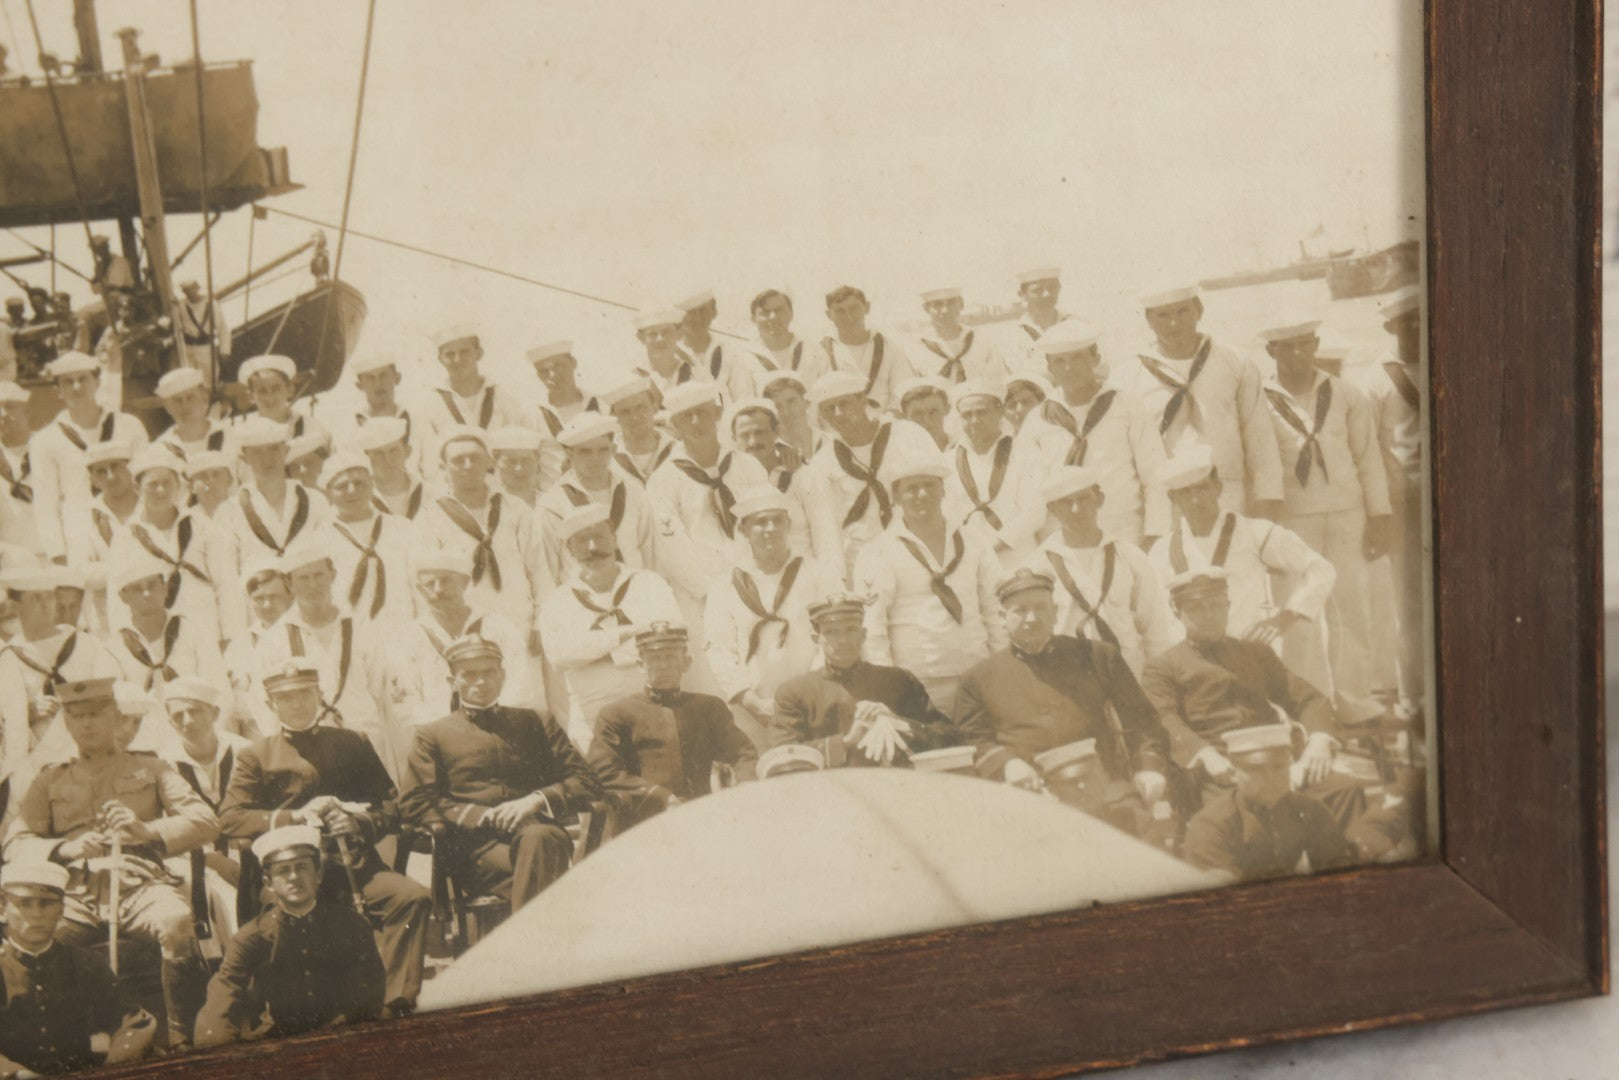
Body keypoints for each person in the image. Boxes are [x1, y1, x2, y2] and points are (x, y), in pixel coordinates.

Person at [5, 676, 217, 1048]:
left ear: (116, 718)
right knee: (31, 938)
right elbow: (15, 843)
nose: (86, 724)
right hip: (74, 895)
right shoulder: (51, 778)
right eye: (76, 716)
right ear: (66, 723)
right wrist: (65, 850)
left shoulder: (153, 768)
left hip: (140, 885)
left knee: (175, 921)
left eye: (96, 714)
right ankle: (46, 1044)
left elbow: (206, 821)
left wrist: (145, 829)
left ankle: (184, 1036)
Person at [1137, 568, 1406, 859]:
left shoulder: (1256, 654)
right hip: (1222, 769)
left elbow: (1309, 699)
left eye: (1216, 604)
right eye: (1197, 608)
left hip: (1279, 760)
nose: (1210, 614)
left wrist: (1318, 741)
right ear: (1176, 611)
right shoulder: (1163, 666)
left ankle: (1345, 869)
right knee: (1242, 819)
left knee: (1343, 790)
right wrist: (1205, 754)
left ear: (1228, 606)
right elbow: (1165, 719)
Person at [217, 659, 431, 1016]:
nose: (297, 704)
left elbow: (393, 805)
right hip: (292, 874)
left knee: (411, 898)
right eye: (286, 698)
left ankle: (392, 1002)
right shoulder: (255, 755)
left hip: (353, 865)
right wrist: (295, 816)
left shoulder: (352, 742)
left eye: (304, 694)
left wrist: (359, 822)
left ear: (320, 695)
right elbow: (231, 819)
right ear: (270, 705)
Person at [954, 568, 1171, 836]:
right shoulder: (978, 679)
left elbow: (1142, 719)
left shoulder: (1097, 656)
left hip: (1106, 790)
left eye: (1040, 608)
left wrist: (1148, 768)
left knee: (1144, 840)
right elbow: (974, 740)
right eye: (1020, 610)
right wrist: (1007, 764)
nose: (1032, 618)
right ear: (1002, 617)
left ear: (1056, 611)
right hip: (1032, 795)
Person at [401, 633, 604, 910]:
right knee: (558, 880)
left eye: (488, 672)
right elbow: (416, 802)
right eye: (469, 675)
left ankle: (525, 944)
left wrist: (535, 800)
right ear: (453, 682)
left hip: (539, 834)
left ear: (503, 675)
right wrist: (483, 816)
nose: (481, 682)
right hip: (478, 849)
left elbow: (587, 780)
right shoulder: (433, 734)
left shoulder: (536, 722)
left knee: (539, 841)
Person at [1257, 317, 1393, 711]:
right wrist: (1266, 528)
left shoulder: (1347, 394)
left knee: (1352, 612)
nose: (1298, 354)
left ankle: (1354, 702)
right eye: (1287, 347)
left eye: (1304, 344)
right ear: (1271, 351)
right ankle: (1310, 707)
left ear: (1315, 344)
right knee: (1299, 616)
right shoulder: (1258, 400)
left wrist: (1379, 516)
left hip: (1348, 515)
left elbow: (1368, 459)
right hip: (1292, 522)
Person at [1145, 445, 1336, 687]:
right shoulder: (1162, 550)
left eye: (1202, 488)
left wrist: (1284, 618)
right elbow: (1155, 616)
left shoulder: (1255, 533)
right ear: (1172, 498)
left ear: (1218, 488)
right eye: (1185, 492)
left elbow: (1321, 570)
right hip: (1193, 672)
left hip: (1248, 658)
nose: (1195, 499)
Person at [193, 824, 385, 1047]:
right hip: (278, 1039)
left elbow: (368, 994)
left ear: (318, 875)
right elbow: (222, 1001)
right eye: (283, 870)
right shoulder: (251, 937)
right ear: (269, 884)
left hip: (340, 1036)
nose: (294, 877)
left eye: (302, 867)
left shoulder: (351, 926)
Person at [1111, 285, 1284, 519]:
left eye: (1182, 311)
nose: (1174, 323)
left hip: (1227, 490)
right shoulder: (1128, 376)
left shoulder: (1236, 362)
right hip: (1168, 498)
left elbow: (1259, 437)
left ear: (1199, 310)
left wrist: (1267, 500)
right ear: (1148, 320)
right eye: (1163, 315)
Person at [853, 457, 1008, 714]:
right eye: (911, 488)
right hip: (918, 686)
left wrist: (1003, 669)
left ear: (943, 490)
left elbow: (995, 610)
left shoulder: (974, 541)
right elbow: (873, 627)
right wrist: (889, 690)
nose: (921, 494)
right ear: (896, 495)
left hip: (978, 674)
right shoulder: (877, 551)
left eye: (929, 485)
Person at [643, 383, 770, 692]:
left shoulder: (747, 465)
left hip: (754, 587)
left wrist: (754, 581)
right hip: (702, 597)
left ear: (716, 413)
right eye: (687, 417)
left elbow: (766, 521)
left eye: (702, 413)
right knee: (717, 681)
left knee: (763, 670)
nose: (697, 423)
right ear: (675, 426)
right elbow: (675, 554)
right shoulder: (664, 480)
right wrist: (723, 593)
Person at [413, 427, 553, 700]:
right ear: (443, 467)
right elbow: (429, 585)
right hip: (468, 634)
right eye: (458, 460)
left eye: (475, 458)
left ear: (488, 462)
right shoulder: (431, 517)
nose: (467, 466)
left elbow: (539, 572)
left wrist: (539, 623)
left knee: (525, 704)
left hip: (519, 628)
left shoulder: (515, 509)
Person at [251, 539, 400, 782]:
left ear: (333, 575)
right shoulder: (274, 640)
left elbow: (381, 691)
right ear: (289, 583)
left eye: (319, 575)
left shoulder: (362, 627)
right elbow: (264, 707)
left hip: (365, 743)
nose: (313, 585)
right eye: (303, 578)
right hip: (308, 754)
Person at [703, 487, 843, 740]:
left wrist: (810, 693)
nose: (770, 528)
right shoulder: (725, 585)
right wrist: (751, 702)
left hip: (815, 704)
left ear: (788, 525)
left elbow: (834, 636)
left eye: (777, 520)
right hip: (754, 712)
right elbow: (719, 651)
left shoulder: (818, 573)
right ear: (743, 530)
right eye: (760, 522)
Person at [1016, 319, 1172, 544]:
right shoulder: (1038, 419)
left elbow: (1155, 474)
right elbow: (1028, 493)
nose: (1068, 367)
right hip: (1062, 541)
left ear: (1095, 359)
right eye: (1059, 361)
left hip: (1124, 534)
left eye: (1077, 357)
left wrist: (1154, 537)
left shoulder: (1127, 405)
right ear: (1049, 369)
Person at [538, 505, 680, 750]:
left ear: (614, 540)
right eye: (582, 540)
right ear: (569, 549)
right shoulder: (557, 601)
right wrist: (626, 633)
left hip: (654, 713)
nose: (593, 547)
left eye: (600, 537)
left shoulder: (649, 584)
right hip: (592, 724)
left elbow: (671, 639)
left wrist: (592, 653)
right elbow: (560, 655)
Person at [588, 622, 757, 827]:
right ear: (641, 665)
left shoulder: (709, 707)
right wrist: (661, 797)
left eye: (670, 657)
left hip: (705, 814)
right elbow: (604, 772)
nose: (663, 665)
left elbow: (742, 753)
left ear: (686, 663)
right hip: (644, 819)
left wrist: (744, 788)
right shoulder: (617, 714)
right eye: (655, 658)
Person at [0, 861, 156, 1074]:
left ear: (61, 911)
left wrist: (115, 1066)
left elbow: (135, 1022)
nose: (36, 914)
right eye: (25, 903)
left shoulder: (86, 963)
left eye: (47, 904)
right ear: (2, 909)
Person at [768, 593, 959, 766]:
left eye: (851, 629)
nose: (843, 639)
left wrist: (899, 722)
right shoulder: (794, 692)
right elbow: (781, 756)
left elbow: (951, 737)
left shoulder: (899, 681)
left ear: (863, 634)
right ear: (816, 638)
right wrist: (846, 742)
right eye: (831, 632)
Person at [1033, 466, 1175, 678]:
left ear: (1099, 499)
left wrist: (1160, 686)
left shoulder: (1130, 557)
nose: (1075, 509)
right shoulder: (1038, 565)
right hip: (1070, 681)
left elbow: (1155, 630)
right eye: (1065, 502)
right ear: (1052, 509)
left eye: (1083, 499)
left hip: (1127, 677)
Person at [798, 371, 939, 581]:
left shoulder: (908, 434)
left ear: (862, 400)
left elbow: (941, 492)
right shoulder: (822, 463)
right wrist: (838, 584)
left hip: (916, 547)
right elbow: (826, 532)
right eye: (829, 408)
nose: (838, 414)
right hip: (862, 559)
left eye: (844, 403)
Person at [1180, 724, 1359, 882]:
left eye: (1279, 767)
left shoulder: (1310, 810)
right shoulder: (1211, 824)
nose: (1270, 778)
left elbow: (1336, 867)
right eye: (1256, 769)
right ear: (1234, 772)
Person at [211, 416, 332, 643]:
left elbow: (330, 565)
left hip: (310, 618)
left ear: (285, 451)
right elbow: (226, 583)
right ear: (244, 457)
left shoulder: (315, 502)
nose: (267, 459)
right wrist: (237, 640)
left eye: (273, 449)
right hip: (257, 618)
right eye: (257, 452)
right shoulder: (229, 511)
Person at [387, 551, 533, 731]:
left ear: (464, 582)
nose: (438, 589)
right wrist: (447, 733)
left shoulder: (497, 625)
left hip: (500, 726)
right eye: (430, 584)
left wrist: (497, 722)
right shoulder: (408, 637)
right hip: (440, 733)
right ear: (419, 590)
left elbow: (519, 681)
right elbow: (408, 702)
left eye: (446, 580)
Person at [28, 351, 150, 564]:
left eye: (83, 379)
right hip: (81, 535)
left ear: (97, 382)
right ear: (58, 391)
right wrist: (57, 554)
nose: (77, 387)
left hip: (133, 523)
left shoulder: (129, 425)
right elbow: (46, 502)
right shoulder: (45, 440)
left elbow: (146, 480)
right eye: (68, 382)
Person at [0, 563, 122, 773]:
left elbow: (116, 699)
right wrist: (29, 714)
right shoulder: (10, 658)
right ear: (16, 606)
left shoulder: (86, 644)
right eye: (35, 598)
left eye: (48, 596)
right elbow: (15, 737)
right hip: (41, 766)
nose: (45, 604)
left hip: (94, 758)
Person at [1369, 286, 1424, 720]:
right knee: (1410, 604)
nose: (1416, 327)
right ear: (1389, 327)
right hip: (1407, 506)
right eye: (1405, 322)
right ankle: (1414, 697)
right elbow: (1370, 451)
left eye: (1422, 317)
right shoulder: (1376, 380)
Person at [109, 446, 228, 646]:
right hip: (156, 639)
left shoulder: (202, 525)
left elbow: (225, 586)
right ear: (137, 489)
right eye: (152, 484)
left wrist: (230, 640)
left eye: (167, 483)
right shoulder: (126, 537)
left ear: (178, 487)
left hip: (206, 630)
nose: (161, 490)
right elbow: (117, 601)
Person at [537, 412, 656, 578]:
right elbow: (548, 570)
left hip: (635, 594)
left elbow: (649, 551)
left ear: (613, 450)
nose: (596, 458)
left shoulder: (633, 491)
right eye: (586, 451)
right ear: (570, 454)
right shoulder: (553, 504)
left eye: (603, 450)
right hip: (583, 598)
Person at [943, 379, 1046, 563]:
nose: (975, 420)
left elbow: (1034, 512)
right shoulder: (947, 461)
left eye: (982, 412)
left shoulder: (1025, 451)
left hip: (1017, 557)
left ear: (1000, 412)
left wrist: (990, 549)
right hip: (967, 561)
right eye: (967, 415)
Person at [105, 555, 229, 699]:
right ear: (123, 597)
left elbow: (220, 689)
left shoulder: (195, 631)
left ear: (165, 588)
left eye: (152, 585)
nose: (147, 594)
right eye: (137, 589)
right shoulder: (114, 648)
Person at [315, 453, 417, 627]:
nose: (352, 490)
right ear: (328, 493)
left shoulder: (402, 528)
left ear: (372, 484)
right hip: (348, 631)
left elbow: (418, 585)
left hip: (401, 629)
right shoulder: (319, 537)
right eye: (341, 486)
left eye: (359, 483)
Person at [418, 324, 532, 460]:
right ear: (440, 359)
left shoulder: (504, 399)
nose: (458, 360)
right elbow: (428, 458)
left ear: (479, 353)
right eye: (450, 354)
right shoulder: (429, 405)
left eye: (464, 352)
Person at [817, 285, 915, 412]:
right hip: (835, 429)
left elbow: (904, 399)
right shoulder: (820, 352)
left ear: (867, 307)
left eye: (854, 308)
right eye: (840, 311)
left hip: (883, 426)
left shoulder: (892, 350)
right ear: (829, 315)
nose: (848, 317)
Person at [335, 353, 423, 477]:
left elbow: (432, 469)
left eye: (384, 375)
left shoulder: (416, 419)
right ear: (359, 385)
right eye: (370, 378)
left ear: (397, 378)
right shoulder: (348, 427)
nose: (378, 384)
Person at [741, 288, 826, 398]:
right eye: (765, 312)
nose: (773, 317)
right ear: (753, 318)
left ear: (791, 314)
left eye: (779, 310)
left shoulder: (815, 351)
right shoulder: (743, 358)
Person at [914, 286, 1007, 384]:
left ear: (961, 304)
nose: (945, 310)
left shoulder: (983, 341)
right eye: (937, 304)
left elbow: (1000, 381)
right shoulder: (917, 349)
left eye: (951, 303)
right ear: (926, 309)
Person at [675, 290, 751, 402]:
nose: (697, 318)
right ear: (679, 317)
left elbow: (745, 398)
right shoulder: (671, 354)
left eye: (702, 310)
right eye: (691, 312)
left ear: (714, 312)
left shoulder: (730, 353)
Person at [351, 416, 429, 521]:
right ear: (367, 458)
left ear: (407, 452)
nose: (388, 460)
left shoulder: (430, 495)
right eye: (378, 453)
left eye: (394, 451)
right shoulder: (356, 500)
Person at [599, 376, 675, 484]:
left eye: (641, 407)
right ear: (615, 417)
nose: (634, 417)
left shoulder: (677, 450)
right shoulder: (606, 457)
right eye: (625, 412)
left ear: (654, 407)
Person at [230, 355, 322, 443]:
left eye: (276, 389)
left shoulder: (312, 430)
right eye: (262, 391)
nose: (269, 397)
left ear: (290, 390)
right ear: (251, 396)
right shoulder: (241, 435)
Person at [630, 309, 711, 406]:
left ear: (679, 334)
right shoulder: (633, 376)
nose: (660, 339)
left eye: (666, 332)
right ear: (641, 338)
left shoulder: (698, 375)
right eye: (652, 334)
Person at [152, 367, 228, 462]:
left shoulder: (230, 436)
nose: (185, 406)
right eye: (177, 400)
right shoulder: (160, 449)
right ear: (168, 407)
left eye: (190, 397)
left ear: (205, 397)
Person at [0, 381, 38, 555]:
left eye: (10, 407)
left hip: (60, 556)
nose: (3, 414)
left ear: (28, 412)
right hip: (11, 561)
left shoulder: (50, 448)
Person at [757, 369, 819, 464]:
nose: (786, 412)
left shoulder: (830, 443)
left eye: (791, 401)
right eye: (777, 406)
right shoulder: (767, 454)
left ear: (806, 401)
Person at [177, 280, 230, 381]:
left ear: (197, 288)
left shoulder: (212, 304)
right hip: (188, 350)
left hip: (206, 349)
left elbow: (222, 329)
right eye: (186, 290)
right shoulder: (180, 305)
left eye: (191, 289)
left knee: (209, 380)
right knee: (190, 381)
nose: (189, 292)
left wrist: (224, 352)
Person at [1011, 266, 1071, 348]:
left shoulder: (1076, 326)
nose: (1046, 294)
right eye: (1038, 290)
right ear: (1022, 295)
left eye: (1052, 287)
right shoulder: (1010, 336)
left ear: (1059, 288)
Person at [489, 426, 545, 507]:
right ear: (495, 463)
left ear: (538, 460)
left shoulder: (554, 504)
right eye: (511, 462)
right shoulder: (488, 506)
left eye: (526, 460)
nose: (519, 468)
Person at [896, 377, 954, 451]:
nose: (927, 421)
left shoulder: (962, 448)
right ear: (904, 417)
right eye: (917, 414)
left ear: (947, 410)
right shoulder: (900, 452)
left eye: (933, 412)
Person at [184, 449, 236, 519]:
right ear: (191, 487)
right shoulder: (186, 521)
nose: (211, 481)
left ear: (230, 480)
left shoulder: (242, 513)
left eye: (216, 474)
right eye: (203, 476)